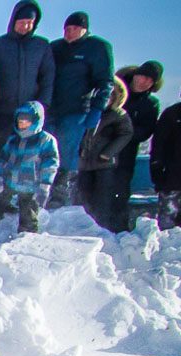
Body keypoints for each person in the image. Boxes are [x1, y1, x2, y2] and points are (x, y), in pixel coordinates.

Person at [0, 1, 55, 226]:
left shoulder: (41, 47)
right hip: (2, 115)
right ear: (13, 21)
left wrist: (42, 107)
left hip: (31, 119)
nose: (25, 26)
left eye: (30, 23)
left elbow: (47, 79)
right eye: (22, 22)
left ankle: (24, 216)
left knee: (29, 164)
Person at [46, 11, 114, 208]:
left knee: (68, 155)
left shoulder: (98, 47)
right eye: (67, 29)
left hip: (77, 110)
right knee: (47, 154)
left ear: (85, 29)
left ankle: (62, 200)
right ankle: (41, 196)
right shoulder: (56, 47)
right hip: (51, 109)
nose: (70, 32)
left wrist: (97, 109)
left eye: (75, 28)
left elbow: (105, 81)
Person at [0, 101, 59, 233]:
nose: (23, 125)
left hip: (31, 186)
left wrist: (44, 186)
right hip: (10, 182)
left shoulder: (45, 141)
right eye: (20, 121)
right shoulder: (13, 140)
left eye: (26, 121)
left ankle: (26, 239)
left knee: (28, 216)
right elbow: (2, 159)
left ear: (36, 120)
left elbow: (50, 165)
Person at [111, 61, 162, 231]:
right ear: (135, 74)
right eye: (143, 76)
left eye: (150, 80)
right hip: (98, 151)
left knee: (120, 193)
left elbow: (145, 131)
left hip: (126, 153)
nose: (145, 82)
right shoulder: (114, 91)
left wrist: (124, 134)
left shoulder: (150, 104)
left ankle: (118, 230)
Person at [76, 76, 132, 231]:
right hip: (83, 162)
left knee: (103, 198)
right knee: (83, 196)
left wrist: (108, 153)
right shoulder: (86, 113)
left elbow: (126, 134)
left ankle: (104, 228)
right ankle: (85, 227)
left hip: (104, 163)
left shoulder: (118, 115)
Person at [151, 89, 181, 230]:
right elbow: (158, 145)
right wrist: (157, 169)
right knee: (168, 227)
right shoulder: (171, 114)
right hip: (171, 179)